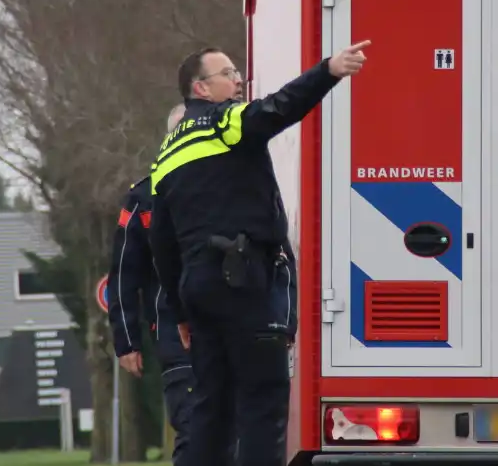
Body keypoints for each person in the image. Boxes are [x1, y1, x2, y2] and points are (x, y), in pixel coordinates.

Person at [148, 40, 371, 466]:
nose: (237, 80)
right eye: (227, 74)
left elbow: (161, 243)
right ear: (201, 89)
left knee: (211, 409)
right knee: (262, 402)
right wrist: (328, 70)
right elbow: (278, 109)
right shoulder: (223, 121)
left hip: (199, 289)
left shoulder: (167, 154)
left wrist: (179, 313)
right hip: (244, 279)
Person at [108, 104, 214, 465]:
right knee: (192, 425)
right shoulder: (143, 199)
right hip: (174, 330)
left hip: (232, 325)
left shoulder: (228, 188)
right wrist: (126, 343)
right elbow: (123, 273)